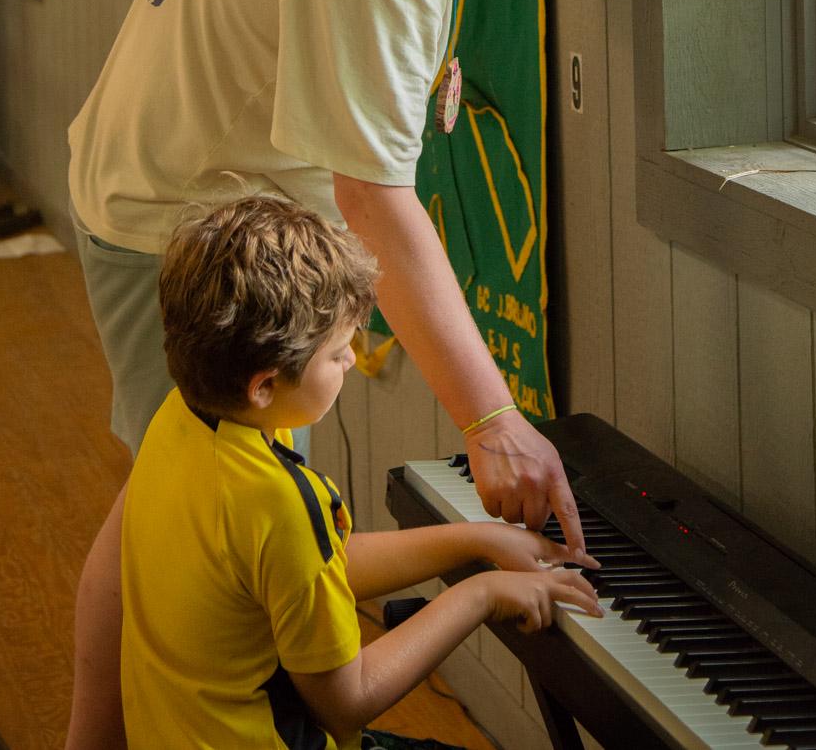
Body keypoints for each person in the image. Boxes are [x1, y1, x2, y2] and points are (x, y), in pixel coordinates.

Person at [66, 0, 661, 750]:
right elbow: (375, 201)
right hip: (180, 223)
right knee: (173, 528)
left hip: (170, 161)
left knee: (181, 518)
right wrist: (491, 420)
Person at [121, 194, 602, 749]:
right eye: (336, 353)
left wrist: (479, 539)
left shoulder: (184, 417)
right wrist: (481, 594)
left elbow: (307, 571)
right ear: (265, 386)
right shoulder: (280, 500)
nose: (351, 360)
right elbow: (347, 703)